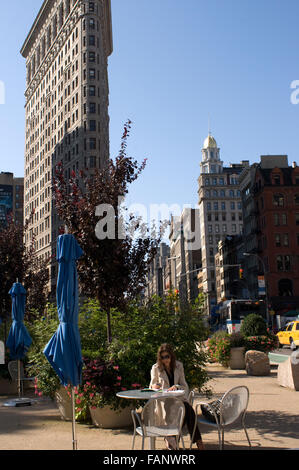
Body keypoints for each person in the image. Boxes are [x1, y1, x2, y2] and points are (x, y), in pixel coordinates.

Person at [149, 343, 204, 450]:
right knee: (187, 410)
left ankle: (171, 438)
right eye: (163, 357)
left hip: (177, 400)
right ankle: (197, 441)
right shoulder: (156, 368)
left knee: (186, 409)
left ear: (171, 356)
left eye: (167, 356)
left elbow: (185, 386)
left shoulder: (179, 366)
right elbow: (151, 386)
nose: (166, 360)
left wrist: (176, 387)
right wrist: (154, 386)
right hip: (164, 403)